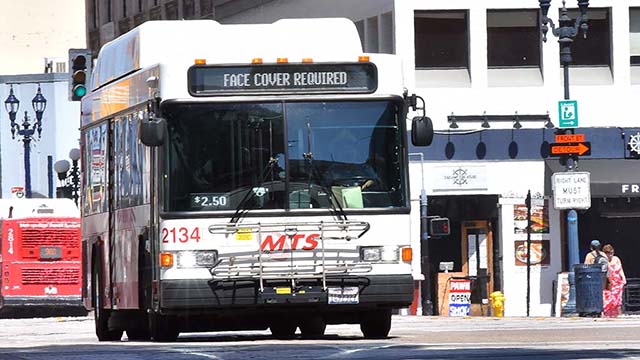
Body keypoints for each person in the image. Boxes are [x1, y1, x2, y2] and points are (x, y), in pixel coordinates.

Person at [602, 244, 627, 317]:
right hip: (609, 282)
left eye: (611, 253)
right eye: (608, 253)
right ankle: (607, 314)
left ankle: (617, 314)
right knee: (608, 298)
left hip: (617, 281)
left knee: (617, 299)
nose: (610, 255)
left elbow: (620, 269)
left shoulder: (616, 259)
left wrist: (623, 277)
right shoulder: (603, 260)